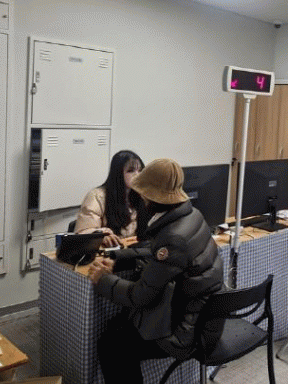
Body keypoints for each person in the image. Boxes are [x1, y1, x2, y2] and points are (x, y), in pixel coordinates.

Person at [87, 158, 224, 384]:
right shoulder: (191, 215)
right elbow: (156, 251)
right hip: (202, 317)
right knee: (117, 326)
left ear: (152, 197)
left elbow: (141, 296)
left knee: (112, 345)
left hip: (185, 332)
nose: (141, 197)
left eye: (144, 193)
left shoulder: (173, 237)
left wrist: (103, 280)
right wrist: (117, 259)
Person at [75, 150, 144, 247]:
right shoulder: (97, 196)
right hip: (109, 250)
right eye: (130, 170)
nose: (137, 175)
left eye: (140, 170)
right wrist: (101, 236)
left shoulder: (143, 195)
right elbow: (83, 233)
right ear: (118, 173)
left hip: (134, 249)